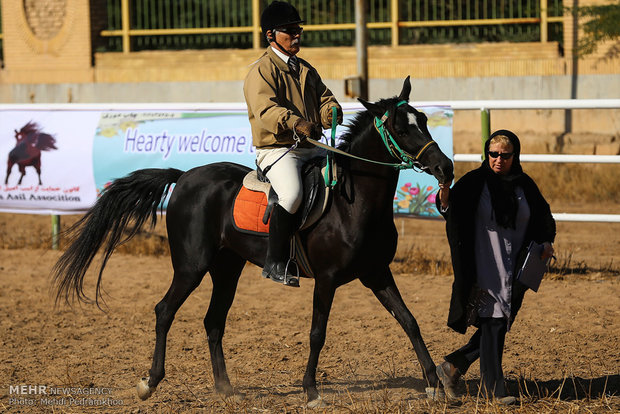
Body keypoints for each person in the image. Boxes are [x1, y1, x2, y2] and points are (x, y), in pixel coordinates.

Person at [435, 130, 556, 404]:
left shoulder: (525, 184)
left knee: (499, 323)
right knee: (494, 321)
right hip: (485, 262)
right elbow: (450, 207)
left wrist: (547, 240)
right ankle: (494, 390)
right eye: (493, 154)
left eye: (505, 155)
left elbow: (543, 214)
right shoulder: (475, 182)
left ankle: (453, 365)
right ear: (486, 155)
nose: (498, 159)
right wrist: (444, 193)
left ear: (515, 156)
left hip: (519, 265)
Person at [243, 1, 342, 287]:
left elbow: (325, 98)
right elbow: (265, 109)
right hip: (279, 150)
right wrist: (295, 122)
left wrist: (330, 111)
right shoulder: (261, 71)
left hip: (310, 146)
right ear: (271, 35)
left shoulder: (305, 68)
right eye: (290, 31)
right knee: (292, 194)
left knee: (345, 176)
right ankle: (275, 262)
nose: (296, 35)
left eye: (298, 30)